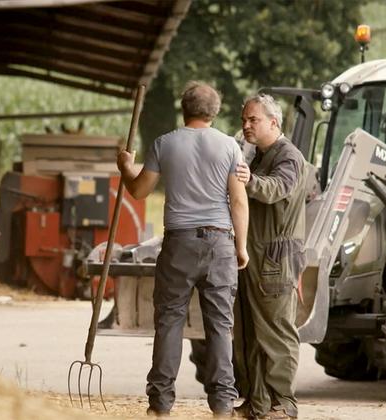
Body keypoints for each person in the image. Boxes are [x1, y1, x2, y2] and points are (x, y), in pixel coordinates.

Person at [117, 81, 249, 418]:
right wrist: (242, 247)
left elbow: (139, 190)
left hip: (179, 244)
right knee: (221, 325)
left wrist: (125, 167)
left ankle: (160, 405)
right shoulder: (230, 147)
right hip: (220, 243)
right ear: (214, 112)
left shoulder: (165, 143)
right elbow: (238, 200)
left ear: (184, 109)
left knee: (170, 322)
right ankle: (222, 406)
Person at [233, 94, 307, 420]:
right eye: (244, 120)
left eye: (254, 120)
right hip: (255, 255)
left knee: (276, 334)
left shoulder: (289, 157)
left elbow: (277, 188)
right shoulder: (259, 155)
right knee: (251, 335)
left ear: (273, 123)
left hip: (275, 258)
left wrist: (249, 181)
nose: (246, 125)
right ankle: (258, 404)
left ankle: (283, 406)